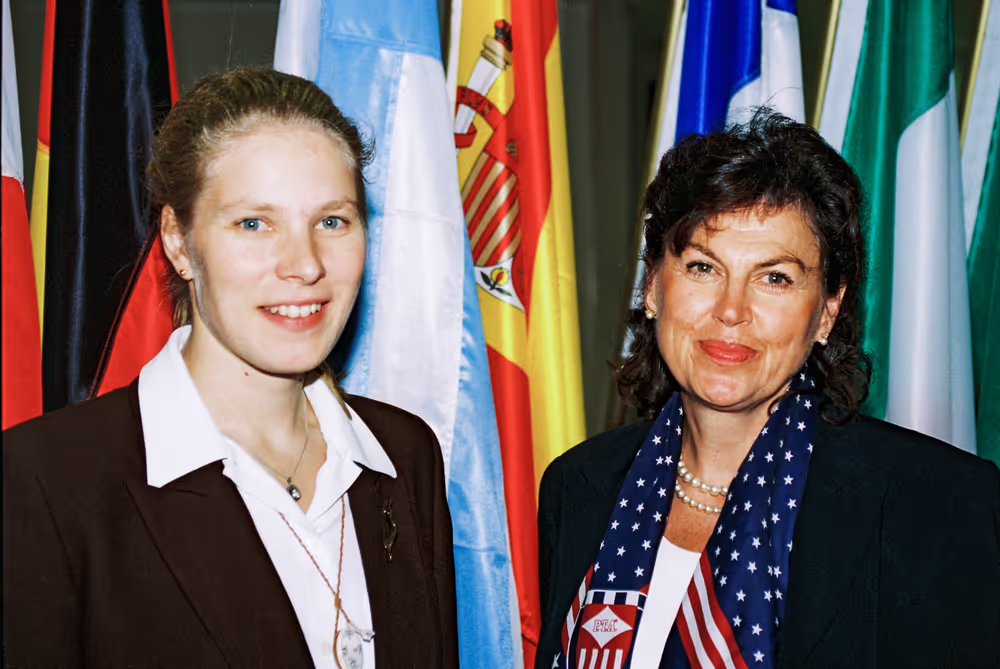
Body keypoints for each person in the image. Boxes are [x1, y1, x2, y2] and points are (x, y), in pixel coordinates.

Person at [3, 67, 458, 668]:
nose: (305, 265)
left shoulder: (405, 454)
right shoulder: (44, 482)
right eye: (254, 224)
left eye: (332, 221)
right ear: (178, 240)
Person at [536, 110, 1000, 668]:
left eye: (774, 277)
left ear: (827, 312)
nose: (731, 311)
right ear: (654, 286)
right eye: (703, 268)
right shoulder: (578, 486)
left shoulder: (937, 505)